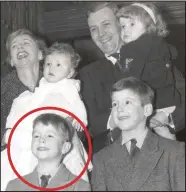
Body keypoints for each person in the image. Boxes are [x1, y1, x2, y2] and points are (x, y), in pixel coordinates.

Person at [78, 2, 183, 153]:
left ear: (121, 24)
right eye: (93, 29)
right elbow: (91, 124)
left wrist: (166, 119)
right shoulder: (86, 73)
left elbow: (182, 100)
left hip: (160, 153)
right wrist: (121, 117)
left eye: (106, 24)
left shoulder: (156, 55)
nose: (101, 34)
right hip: (116, 160)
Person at [1, 42, 92, 190]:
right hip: (35, 135)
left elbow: (78, 106)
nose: (51, 68)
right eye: (48, 64)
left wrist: (80, 120)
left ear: (70, 73)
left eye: (58, 65)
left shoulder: (68, 87)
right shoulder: (39, 88)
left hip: (59, 137)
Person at [91, 77, 185, 191]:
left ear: (147, 110)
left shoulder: (175, 151)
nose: (119, 109)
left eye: (127, 102)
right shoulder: (100, 159)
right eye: (115, 104)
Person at [110, 2, 184, 140]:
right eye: (123, 26)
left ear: (149, 26)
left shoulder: (133, 47)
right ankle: (177, 156)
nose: (126, 30)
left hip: (153, 102)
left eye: (132, 25)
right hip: (167, 101)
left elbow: (131, 78)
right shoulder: (158, 43)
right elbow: (172, 54)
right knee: (164, 134)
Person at [6, 113, 91, 191]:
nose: (41, 140)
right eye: (36, 136)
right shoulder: (14, 186)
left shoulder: (79, 187)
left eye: (50, 136)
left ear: (65, 147)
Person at [1, 29, 46, 150]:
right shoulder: (3, 90)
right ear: (11, 61)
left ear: (40, 54)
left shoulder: (57, 83)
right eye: (14, 46)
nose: (20, 47)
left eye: (26, 43)